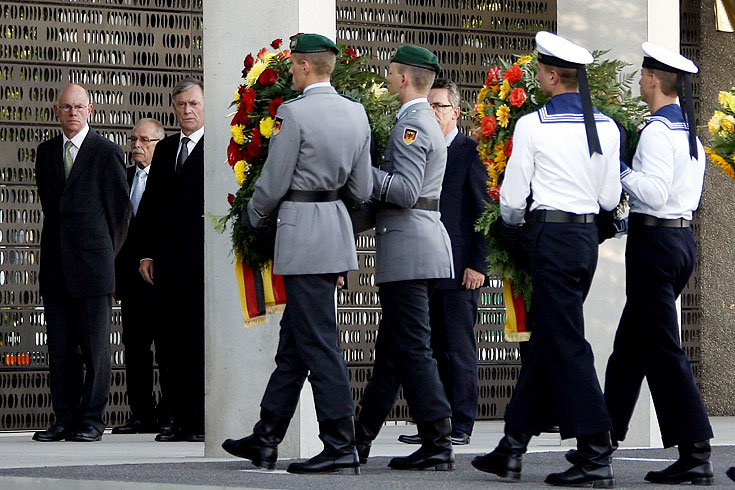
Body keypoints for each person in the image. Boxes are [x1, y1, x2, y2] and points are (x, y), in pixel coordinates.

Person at [471, 31, 621, 487]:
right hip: (584, 241)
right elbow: (610, 196)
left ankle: (596, 450)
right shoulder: (607, 126)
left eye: (540, 72)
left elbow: (514, 199)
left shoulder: (533, 125)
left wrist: (513, 227)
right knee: (550, 339)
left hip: (550, 237)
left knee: (565, 342)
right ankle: (511, 447)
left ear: (554, 76)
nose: (537, 78)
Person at [221, 33, 372, 475]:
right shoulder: (356, 112)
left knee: (320, 343)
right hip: (334, 231)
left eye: (293, 66)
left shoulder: (294, 112)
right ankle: (266, 437)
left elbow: (274, 180)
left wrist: (252, 215)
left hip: (303, 234)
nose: (289, 73)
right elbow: (362, 190)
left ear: (306, 67)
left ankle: (340, 443)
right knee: (295, 344)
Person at [602, 42, 713, 485]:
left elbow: (653, 192)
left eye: (643, 74)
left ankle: (696, 450)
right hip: (679, 239)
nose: (640, 80)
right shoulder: (688, 132)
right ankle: (601, 439)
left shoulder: (655, 132)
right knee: (630, 349)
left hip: (656, 244)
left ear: (652, 79)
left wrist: (616, 167)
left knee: (663, 350)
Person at [353, 45, 455, 471]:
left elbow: (405, 190)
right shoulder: (418, 121)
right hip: (416, 245)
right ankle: (359, 439)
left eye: (391, 73)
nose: (387, 79)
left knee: (412, 349)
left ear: (404, 78)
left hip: (410, 247)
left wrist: (359, 169)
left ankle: (438, 442)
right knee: (392, 354)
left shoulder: (412, 125)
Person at [33, 83, 131, 442]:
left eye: (79, 107)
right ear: (57, 111)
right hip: (56, 265)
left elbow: (120, 213)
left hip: (93, 267)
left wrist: (105, 254)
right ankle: (64, 418)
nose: (72, 112)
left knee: (95, 349)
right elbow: (50, 205)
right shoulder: (45, 153)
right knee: (60, 350)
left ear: (90, 111)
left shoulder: (105, 152)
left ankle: (92, 419)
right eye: (66, 107)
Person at [398, 78, 488, 447]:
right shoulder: (420, 147)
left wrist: (478, 265)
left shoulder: (470, 152)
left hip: (459, 268)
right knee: (428, 350)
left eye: (440, 106)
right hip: (425, 266)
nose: (433, 113)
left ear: (457, 112)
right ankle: (432, 424)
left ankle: (462, 423)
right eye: (429, 106)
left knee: (458, 350)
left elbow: (484, 213)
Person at [136, 78, 205, 442]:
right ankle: (175, 418)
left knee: (196, 343)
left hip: (200, 265)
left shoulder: (219, 147)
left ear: (203, 105)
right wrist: (146, 252)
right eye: (180, 104)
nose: (187, 110)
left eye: (193, 103)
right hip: (166, 263)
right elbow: (150, 206)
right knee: (169, 345)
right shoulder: (164, 150)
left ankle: (198, 421)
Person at [112, 118, 173, 435]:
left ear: (159, 144)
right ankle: (140, 414)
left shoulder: (167, 179)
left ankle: (168, 413)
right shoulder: (122, 179)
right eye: (134, 139)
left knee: (166, 348)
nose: (136, 145)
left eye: (144, 140)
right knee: (135, 349)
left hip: (162, 278)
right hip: (129, 281)